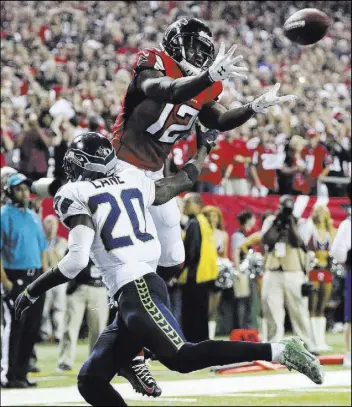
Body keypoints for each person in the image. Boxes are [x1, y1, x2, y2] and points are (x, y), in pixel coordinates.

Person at [15, 132, 323, 406]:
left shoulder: (74, 194)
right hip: (139, 287)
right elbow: (181, 182)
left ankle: (280, 351)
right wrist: (203, 150)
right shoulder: (132, 179)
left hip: (136, 288)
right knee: (90, 380)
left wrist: (32, 291)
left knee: (182, 357)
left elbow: (76, 261)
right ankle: (134, 359)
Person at [1, 173, 48, 388]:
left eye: (25, 188)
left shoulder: (33, 216)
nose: (23, 192)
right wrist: (6, 282)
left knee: (31, 328)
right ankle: (8, 374)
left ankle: (21, 374)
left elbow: (43, 249)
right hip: (15, 276)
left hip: (36, 276)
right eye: (18, 188)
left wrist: (46, 276)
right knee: (16, 328)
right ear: (9, 191)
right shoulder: (3, 215)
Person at [260, 195, 315, 352]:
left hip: (294, 271)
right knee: (271, 309)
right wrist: (278, 222)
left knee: (299, 309)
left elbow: (299, 242)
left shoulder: (301, 223)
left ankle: (306, 344)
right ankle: (273, 345)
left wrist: (290, 223)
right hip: (273, 270)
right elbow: (267, 241)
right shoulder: (271, 221)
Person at [57, 260, 109, 372]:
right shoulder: (78, 243)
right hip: (77, 287)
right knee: (70, 327)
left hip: (99, 287)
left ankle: (96, 361)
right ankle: (65, 361)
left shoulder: (106, 243)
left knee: (98, 329)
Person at [180, 194, 218, 342]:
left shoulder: (194, 223)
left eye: (187, 203)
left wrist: (180, 271)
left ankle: (192, 343)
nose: (184, 206)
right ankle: (202, 342)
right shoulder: (203, 222)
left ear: (197, 204)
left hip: (194, 275)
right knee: (201, 313)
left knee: (191, 313)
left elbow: (192, 251)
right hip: (205, 275)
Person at [306, 205, 336, 353]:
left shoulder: (332, 232)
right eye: (318, 211)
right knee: (313, 304)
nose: (321, 213)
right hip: (314, 271)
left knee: (322, 306)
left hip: (327, 270)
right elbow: (307, 250)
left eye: (323, 211)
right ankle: (313, 341)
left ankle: (321, 340)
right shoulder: (311, 231)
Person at [330, 184, 351, 367]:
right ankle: (349, 353)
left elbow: (337, 251)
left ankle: (350, 353)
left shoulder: (347, 224)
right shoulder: (347, 224)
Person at [202, 205, 229, 339]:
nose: (212, 219)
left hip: (217, 273)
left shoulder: (222, 235)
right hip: (202, 273)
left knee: (213, 307)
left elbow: (224, 256)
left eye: (215, 216)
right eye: (208, 216)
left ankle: (210, 335)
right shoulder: (200, 231)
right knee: (202, 306)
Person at [40, 215, 68, 343]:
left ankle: (58, 335)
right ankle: (46, 334)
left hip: (59, 279)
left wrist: (50, 247)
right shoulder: (40, 241)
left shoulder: (62, 241)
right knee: (44, 308)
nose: (51, 226)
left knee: (59, 308)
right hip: (45, 277)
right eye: (48, 223)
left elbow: (60, 259)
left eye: (53, 223)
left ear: (57, 225)